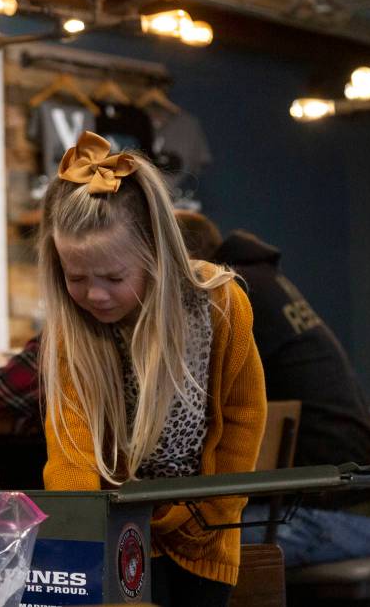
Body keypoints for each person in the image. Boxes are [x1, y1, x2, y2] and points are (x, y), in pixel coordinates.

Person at [175, 212, 370, 606]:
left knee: (162, 544)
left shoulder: (229, 295)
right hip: (357, 506)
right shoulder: (270, 283)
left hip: (318, 513)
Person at [39, 131, 267, 607]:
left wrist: (212, 515)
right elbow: (71, 448)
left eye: (114, 278)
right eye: (76, 278)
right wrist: (79, 535)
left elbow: (243, 419)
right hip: (114, 534)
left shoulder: (220, 303)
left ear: (156, 256)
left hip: (206, 534)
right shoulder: (72, 332)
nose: (94, 295)